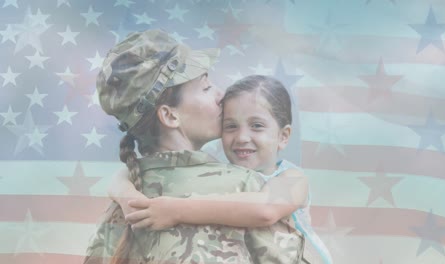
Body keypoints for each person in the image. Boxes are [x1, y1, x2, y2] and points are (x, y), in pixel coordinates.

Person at [83, 29, 309, 264]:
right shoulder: (248, 188)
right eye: (206, 87)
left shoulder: (125, 203)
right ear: (170, 116)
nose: (221, 94)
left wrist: (124, 188)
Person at [110, 75, 333, 264]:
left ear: (283, 136)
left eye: (257, 126)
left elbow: (264, 211)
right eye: (230, 126)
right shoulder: (224, 174)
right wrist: (126, 193)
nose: (242, 137)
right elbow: (122, 175)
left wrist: (174, 210)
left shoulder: (292, 178)